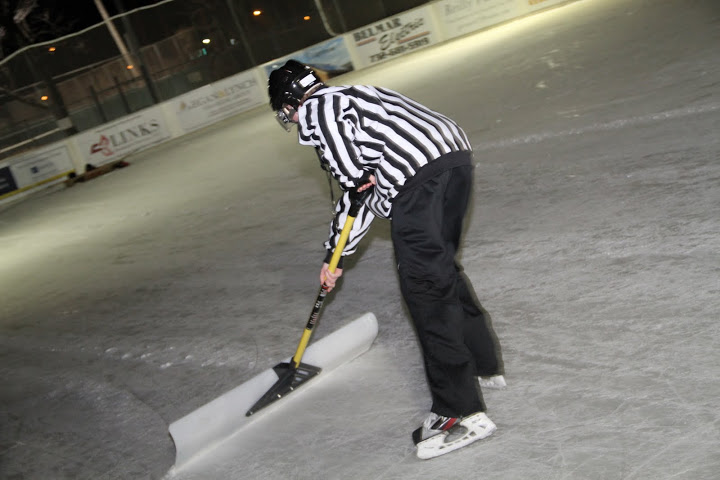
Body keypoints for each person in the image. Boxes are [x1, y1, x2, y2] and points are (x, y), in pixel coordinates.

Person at [268, 59, 505, 459]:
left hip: (417, 179)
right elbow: (360, 199)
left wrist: (355, 179)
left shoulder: (318, 108)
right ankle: (485, 364)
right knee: (441, 271)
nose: (293, 122)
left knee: (425, 290)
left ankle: (460, 414)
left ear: (292, 101)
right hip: (453, 159)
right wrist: (336, 256)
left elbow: (355, 182)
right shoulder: (358, 97)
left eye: (287, 113)